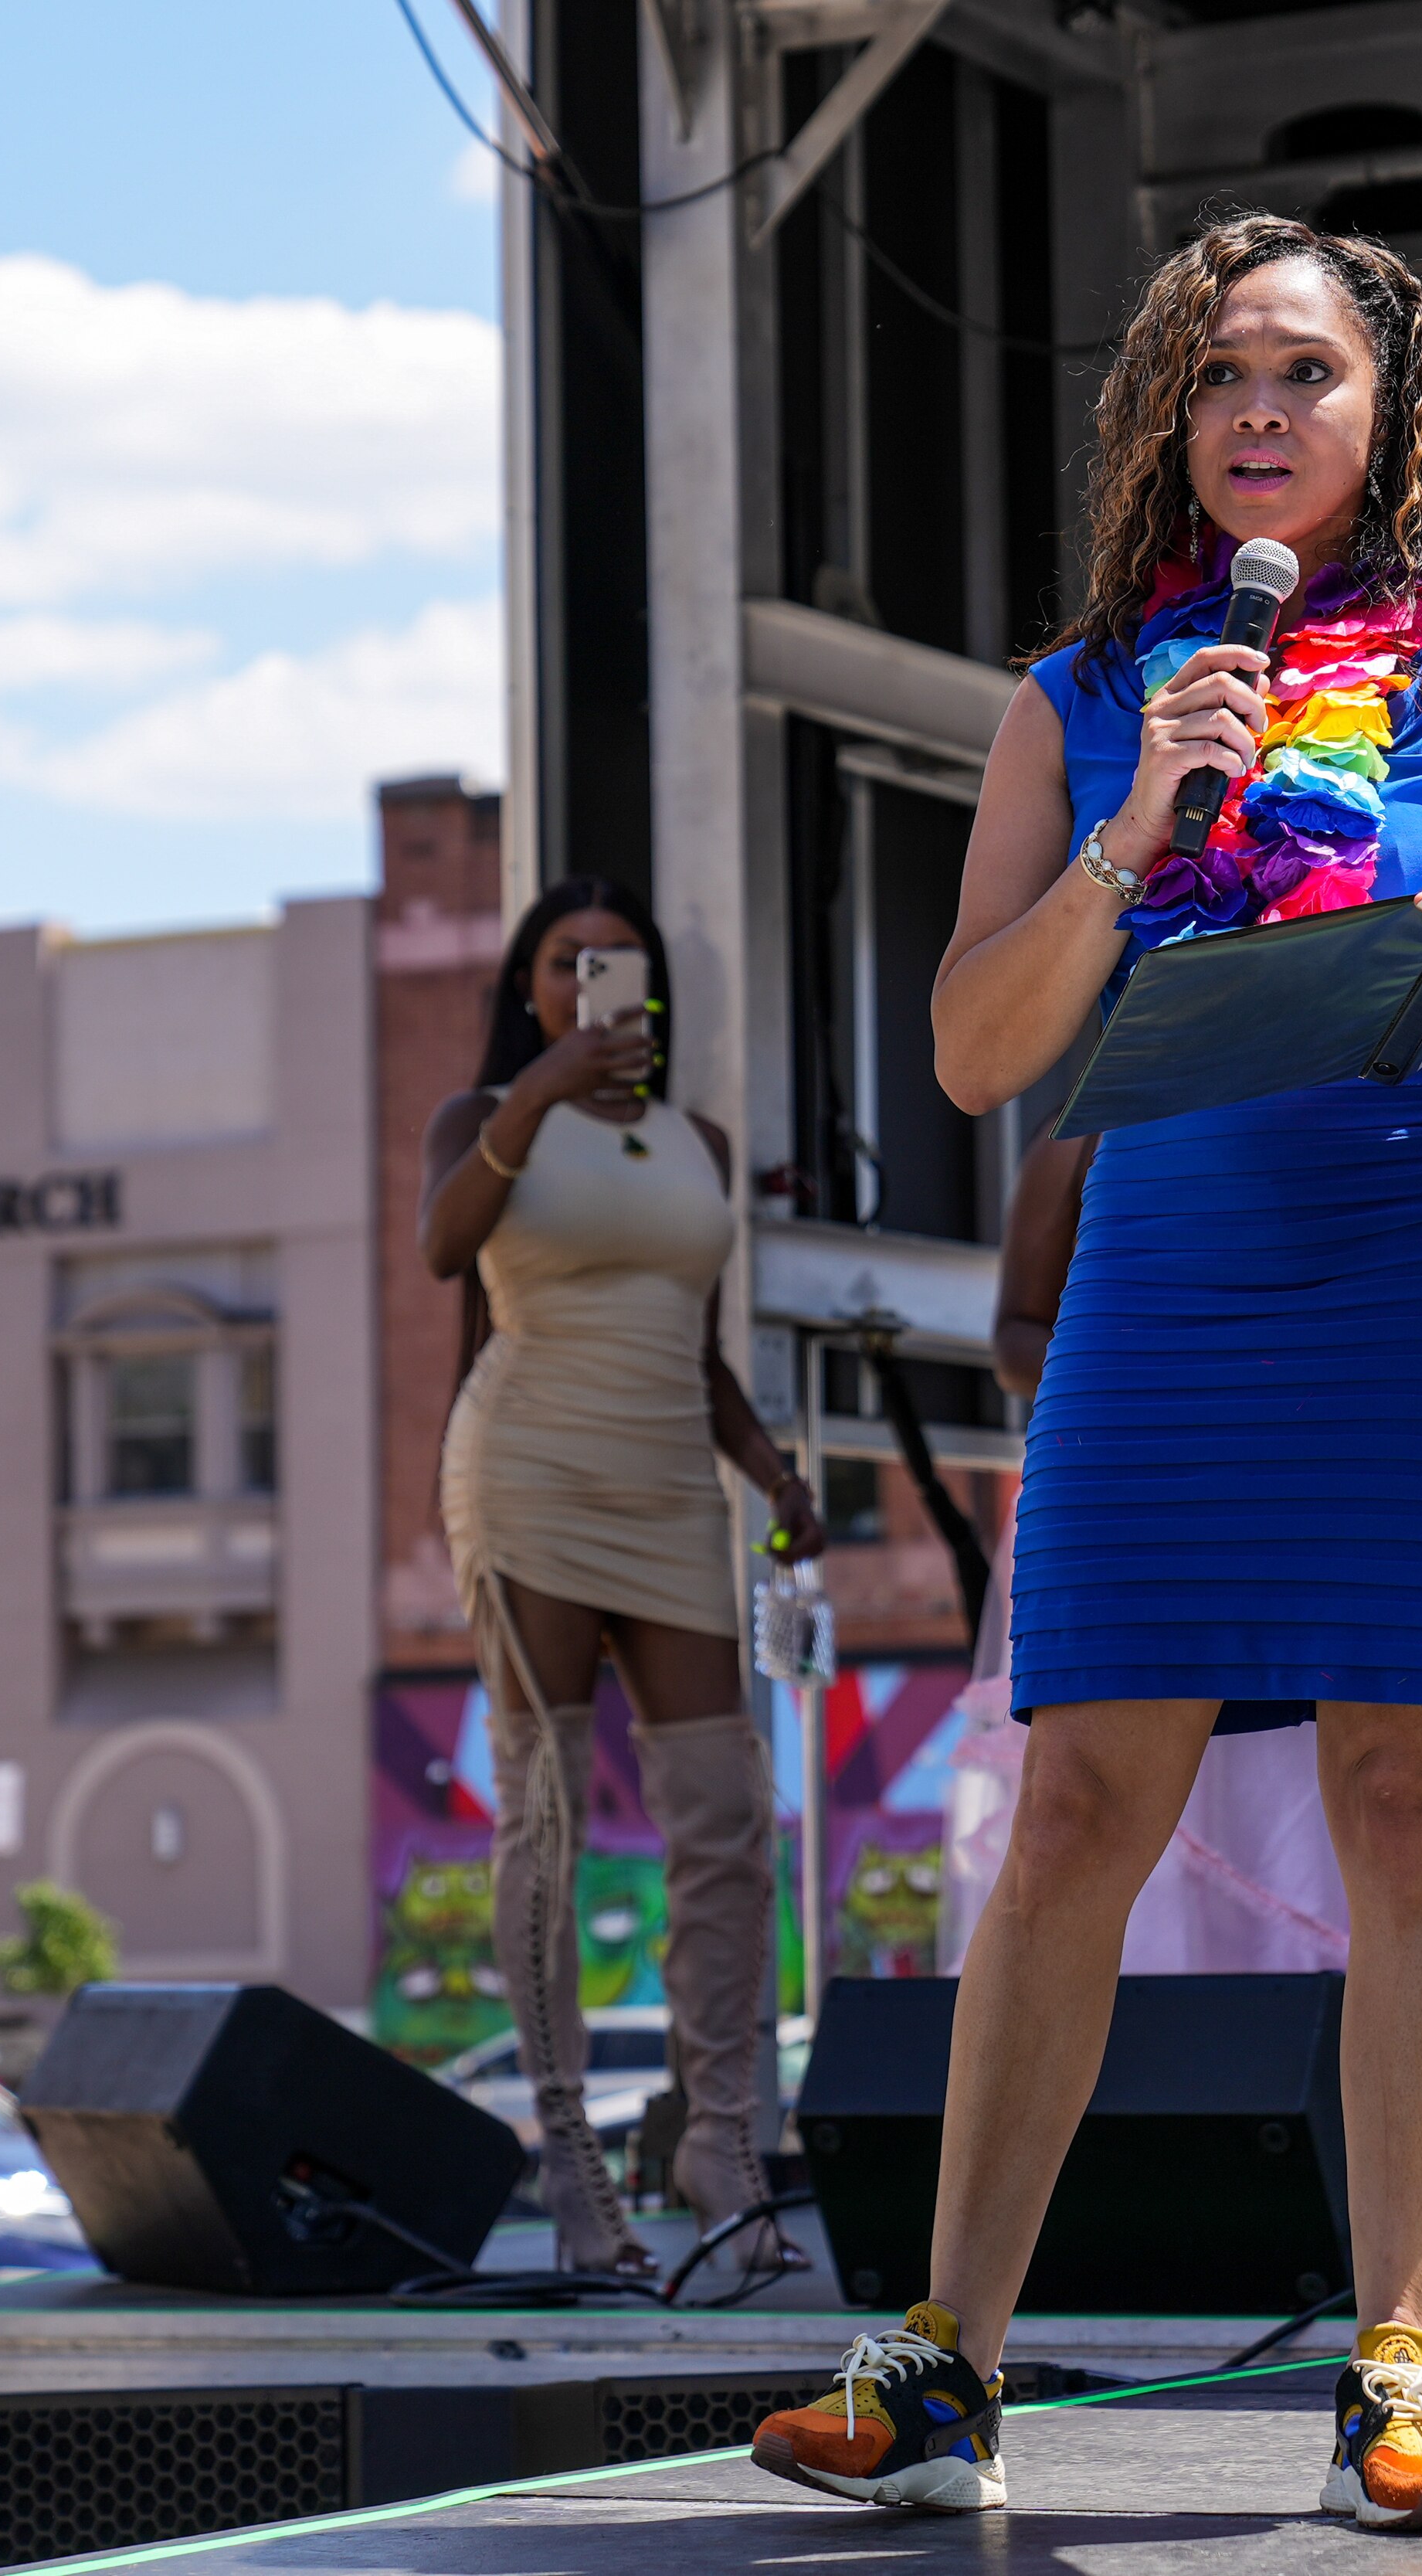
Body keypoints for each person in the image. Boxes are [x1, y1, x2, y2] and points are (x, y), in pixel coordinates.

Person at [752, 213, 1422, 2532]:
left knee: (1409, 1801)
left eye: (1310, 377)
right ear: (1175, 415)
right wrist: (1144, 825)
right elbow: (971, 1046)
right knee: (1075, 1805)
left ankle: (1401, 2360)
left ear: (1389, 417)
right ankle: (947, 2356)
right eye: (1225, 374)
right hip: (1181, 1268)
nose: (1263, 411)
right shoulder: (1070, 701)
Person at [936, 1130, 1422, 2277]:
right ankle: (1045, 2269)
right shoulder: (1082, 1131)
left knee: (1372, 1830)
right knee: (1101, 1840)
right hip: (1171, 1432)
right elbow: (1015, 1323)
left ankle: (1389, 2322)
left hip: (1371, 1380)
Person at [422, 878, 826, 2281]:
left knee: (724, 1821)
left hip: (669, 1487)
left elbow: (697, 1347)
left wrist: (774, 1475)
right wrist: (533, 1094)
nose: (594, 977)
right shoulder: (484, 1118)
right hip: (531, 1473)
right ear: (529, 987)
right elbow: (439, 1247)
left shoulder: (698, 1140)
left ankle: (720, 2144)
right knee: (545, 1817)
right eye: (564, 960)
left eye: (620, 962)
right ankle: (573, 2168)